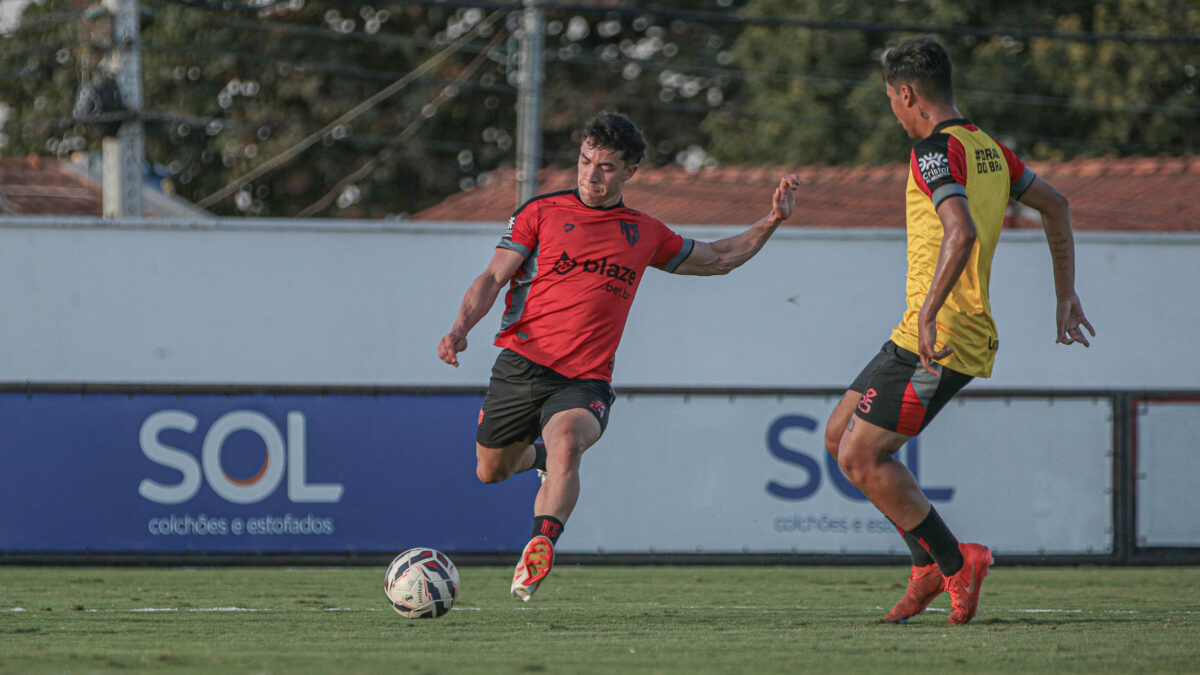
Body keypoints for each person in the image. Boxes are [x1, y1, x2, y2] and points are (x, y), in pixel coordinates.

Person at [437, 111, 801, 601]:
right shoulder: (541, 213)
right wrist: (460, 328)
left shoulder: (644, 232)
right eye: (586, 161)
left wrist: (773, 220)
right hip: (521, 364)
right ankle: (538, 455)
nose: (591, 174)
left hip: (584, 380)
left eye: (606, 167)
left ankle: (541, 544)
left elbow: (719, 258)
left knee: (568, 441)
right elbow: (492, 277)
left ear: (630, 172)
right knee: (491, 470)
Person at [822, 37, 1095, 625]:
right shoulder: (989, 148)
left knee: (864, 457)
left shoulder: (933, 152)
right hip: (919, 329)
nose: (893, 112)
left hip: (942, 333)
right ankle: (926, 568)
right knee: (838, 435)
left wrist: (926, 315)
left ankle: (955, 561)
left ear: (907, 94)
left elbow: (961, 231)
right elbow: (1057, 204)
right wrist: (1065, 292)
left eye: (892, 102)